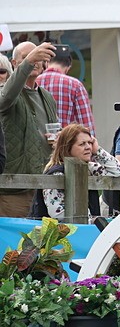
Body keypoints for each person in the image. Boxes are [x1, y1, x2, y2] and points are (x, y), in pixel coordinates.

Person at [0, 41, 58, 217]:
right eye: (25, 58)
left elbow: (53, 129)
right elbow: (5, 99)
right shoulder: (5, 91)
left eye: (37, 57)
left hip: (44, 187)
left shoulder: (46, 96)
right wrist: (28, 61)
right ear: (14, 63)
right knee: (14, 242)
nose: (33, 62)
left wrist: (59, 138)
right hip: (15, 189)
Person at [36, 124, 120, 219]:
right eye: (82, 144)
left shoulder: (88, 167)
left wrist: (97, 150)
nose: (88, 147)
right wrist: (92, 221)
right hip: (58, 232)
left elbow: (117, 170)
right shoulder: (56, 173)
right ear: (68, 147)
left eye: (90, 143)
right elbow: (58, 214)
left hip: (86, 229)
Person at [39, 44, 95, 134]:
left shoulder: (34, 82)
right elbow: (86, 125)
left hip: (38, 144)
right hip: (67, 145)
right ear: (68, 67)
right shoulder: (75, 85)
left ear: (46, 63)